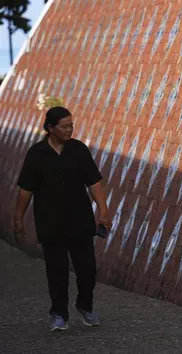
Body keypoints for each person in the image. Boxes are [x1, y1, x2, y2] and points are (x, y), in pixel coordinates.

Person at [13, 106, 112, 332]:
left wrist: (104, 210)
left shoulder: (79, 150)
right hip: (50, 221)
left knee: (87, 269)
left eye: (71, 125)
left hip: (80, 220)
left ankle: (85, 306)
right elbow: (25, 190)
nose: (70, 130)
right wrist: (18, 219)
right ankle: (59, 314)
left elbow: (94, 182)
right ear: (50, 128)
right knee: (56, 271)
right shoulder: (36, 154)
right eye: (64, 126)